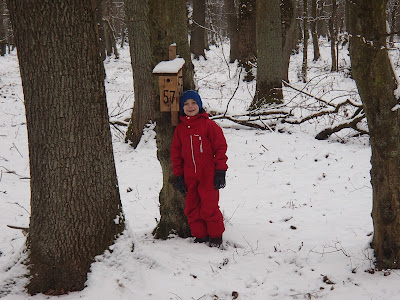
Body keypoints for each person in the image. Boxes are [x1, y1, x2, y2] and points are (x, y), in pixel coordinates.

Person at [171, 90, 228, 248]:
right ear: (182, 108)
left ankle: (216, 237)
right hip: (190, 176)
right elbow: (175, 154)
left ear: (200, 105)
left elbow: (220, 148)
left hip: (208, 175)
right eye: (186, 104)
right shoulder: (180, 130)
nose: (190, 106)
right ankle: (200, 236)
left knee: (209, 207)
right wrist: (179, 175)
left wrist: (220, 171)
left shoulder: (209, 125)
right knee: (192, 207)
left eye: (194, 103)